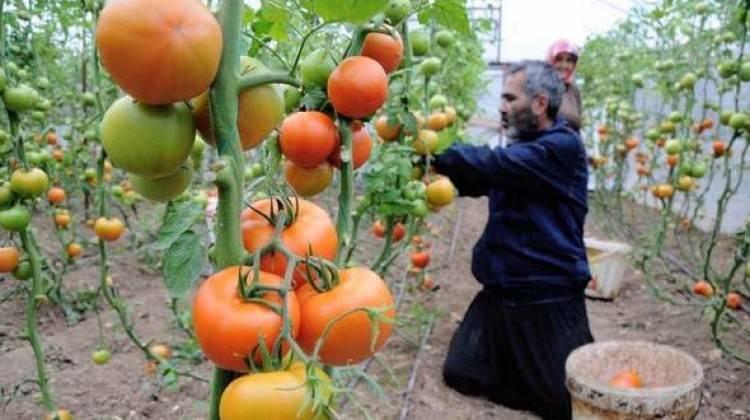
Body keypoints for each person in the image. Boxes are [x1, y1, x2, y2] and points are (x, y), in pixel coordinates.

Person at [435, 60, 594, 420]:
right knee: (461, 372)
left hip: (546, 295)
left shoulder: (561, 148)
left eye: (509, 97)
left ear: (539, 103)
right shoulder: (525, 150)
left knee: (565, 404)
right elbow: (482, 178)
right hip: (502, 290)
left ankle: (533, 374)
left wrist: (437, 155)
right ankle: (522, 370)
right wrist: (427, 174)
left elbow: (493, 166)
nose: (501, 106)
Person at [547, 39, 582, 132]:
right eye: (559, 59)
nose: (564, 65)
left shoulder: (573, 89)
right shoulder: (542, 87)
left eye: (569, 60)